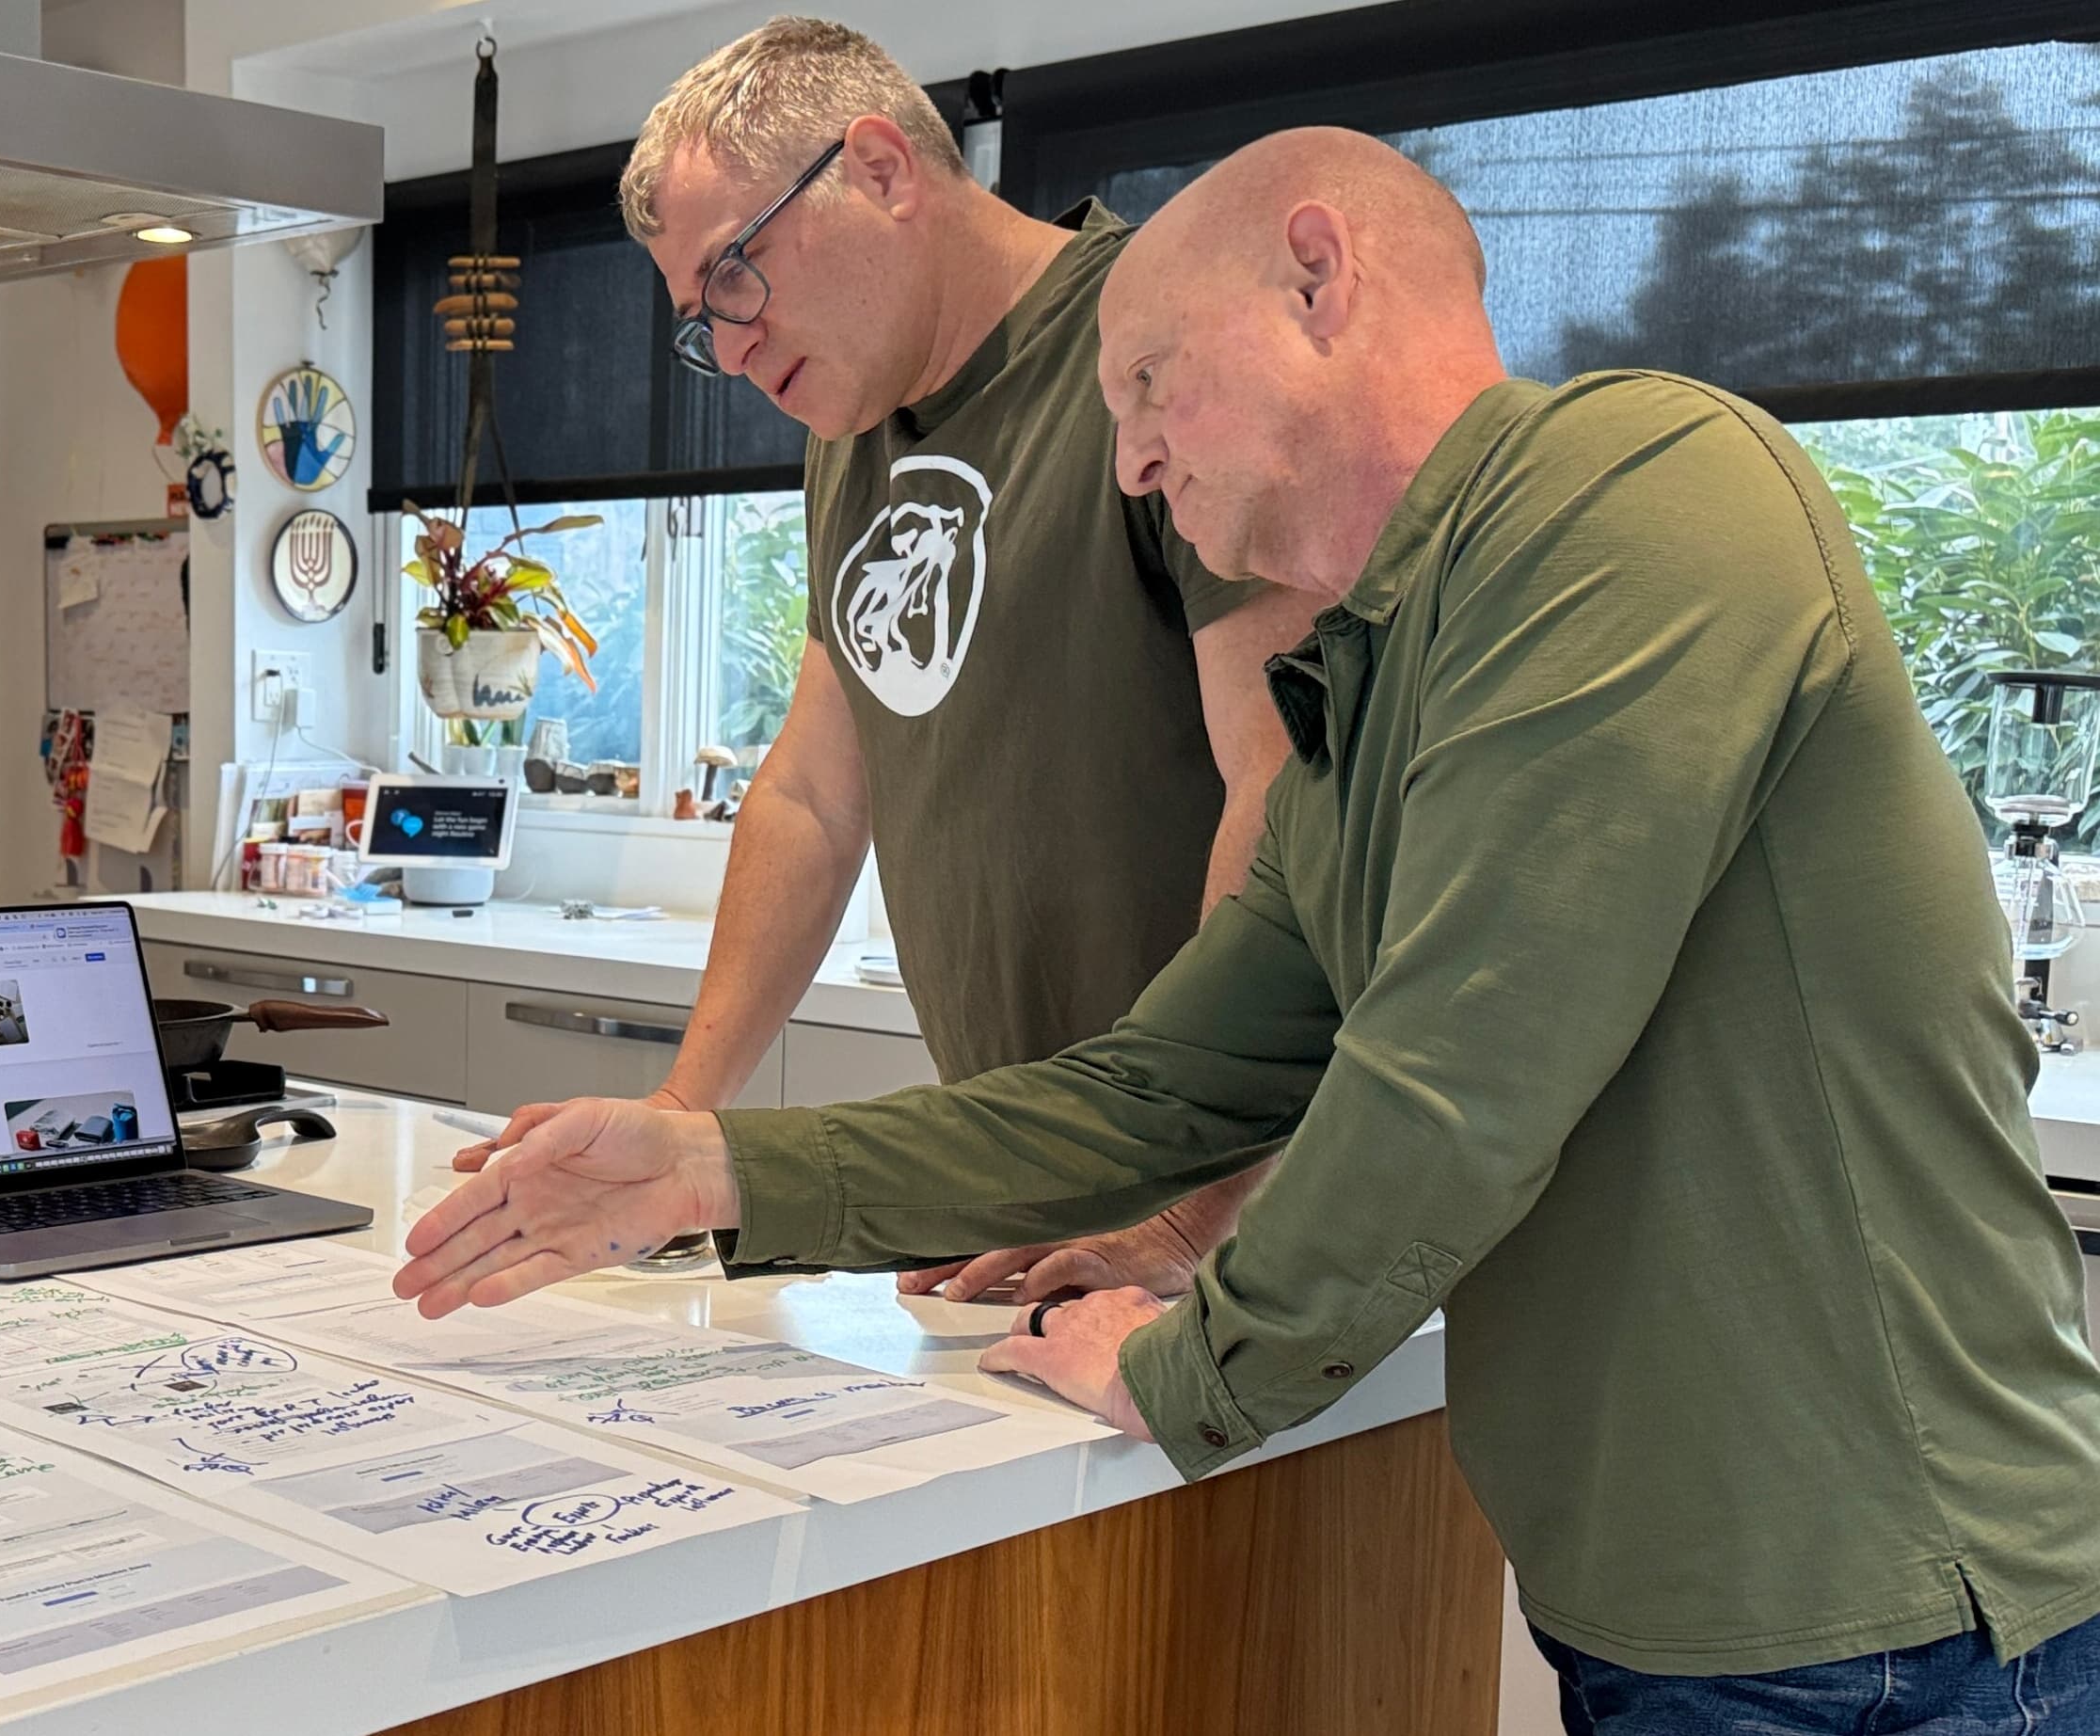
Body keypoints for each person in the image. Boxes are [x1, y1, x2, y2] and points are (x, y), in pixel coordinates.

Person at [400, 125, 2100, 1728]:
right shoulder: (1368, 710)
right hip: (1662, 1604)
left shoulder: (1640, 488)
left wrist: (1192, 1357)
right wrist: (714, 1170)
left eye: (1148, 382)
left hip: (1898, 1614)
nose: (1133, 458)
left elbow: (1465, 1066)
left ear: (1318, 276)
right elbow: (1143, 1092)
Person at [605, 17, 1312, 1298]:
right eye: (704, 322)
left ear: (878, 168)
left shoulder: (1151, 345)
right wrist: (673, 1127)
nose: (735, 347)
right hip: (1043, 1191)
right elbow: (817, 795)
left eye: (736, 277)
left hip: (1239, 1211)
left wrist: (1184, 1213)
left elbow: (1286, 790)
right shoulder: (856, 424)